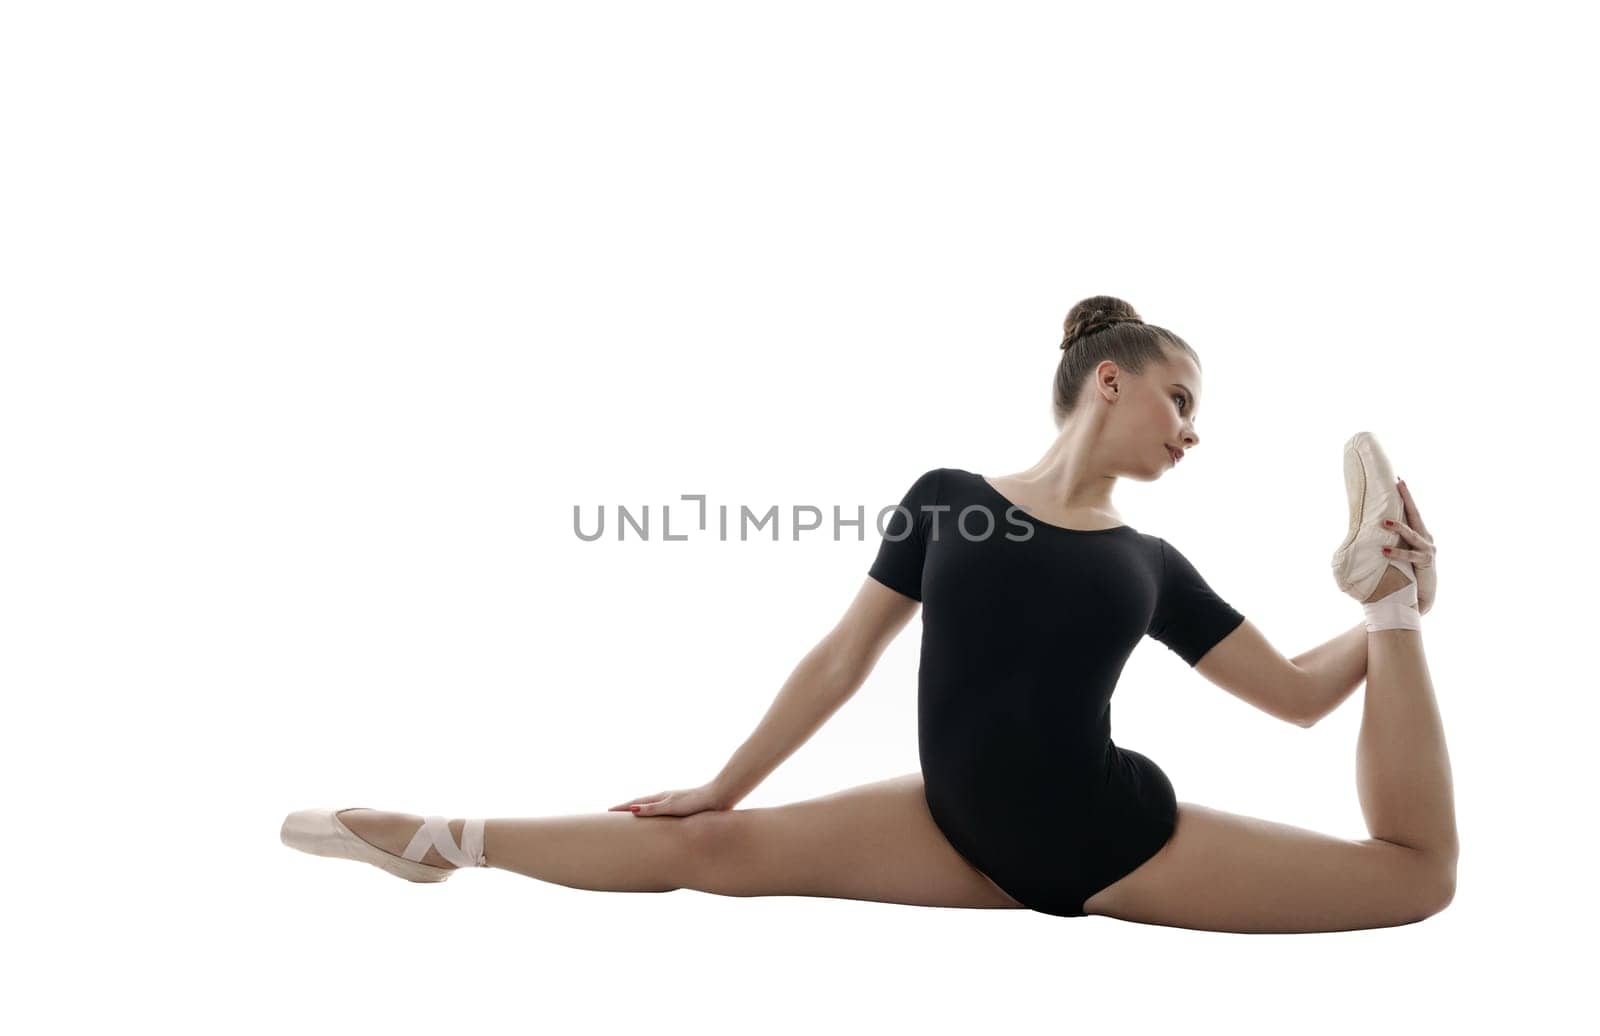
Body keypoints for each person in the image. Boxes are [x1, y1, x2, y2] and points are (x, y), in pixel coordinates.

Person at [281, 295, 1456, 933]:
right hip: (954, 830)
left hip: (1110, 839)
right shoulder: (952, 501)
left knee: (1416, 879)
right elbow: (841, 657)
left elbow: (1299, 699)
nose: (1191, 431)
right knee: (701, 847)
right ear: (1113, 376)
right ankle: (442, 839)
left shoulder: (1150, 560)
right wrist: (725, 782)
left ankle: (1393, 597)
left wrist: (1378, 627)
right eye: (1180, 398)